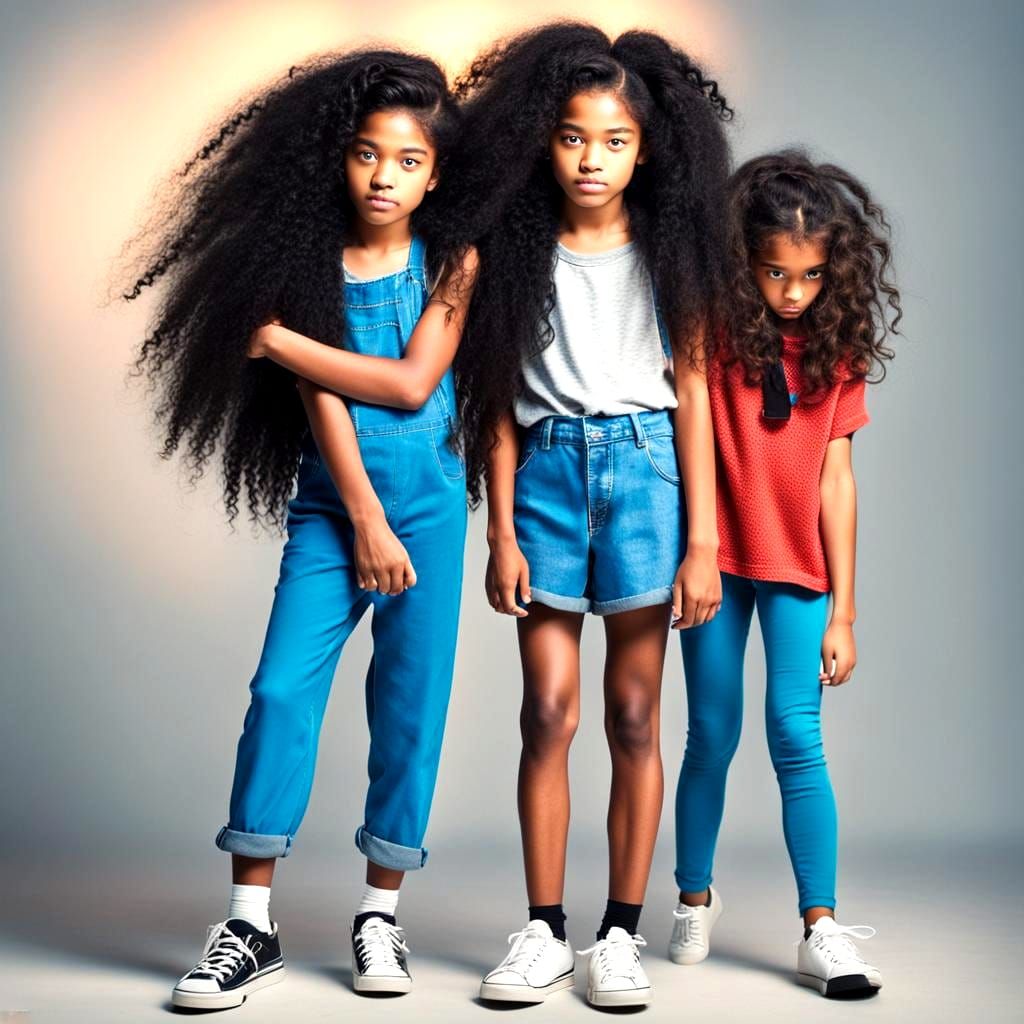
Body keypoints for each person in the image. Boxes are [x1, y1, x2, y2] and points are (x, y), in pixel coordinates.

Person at [123, 49, 477, 1009]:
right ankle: (248, 926)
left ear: (435, 173)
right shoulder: (302, 264)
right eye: (367, 155)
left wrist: (275, 340)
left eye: (407, 161)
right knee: (282, 693)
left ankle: (379, 920)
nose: (384, 177)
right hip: (334, 508)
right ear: (339, 159)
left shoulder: (456, 259)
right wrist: (362, 516)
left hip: (434, 511)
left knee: (410, 713)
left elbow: (410, 385)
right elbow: (327, 405)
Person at [451, 21, 732, 1009]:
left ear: (646, 147)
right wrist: (501, 531)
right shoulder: (508, 251)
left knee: (634, 713)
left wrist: (702, 538)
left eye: (613, 140)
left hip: (649, 471)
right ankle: (541, 930)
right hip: (545, 474)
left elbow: (692, 389)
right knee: (547, 712)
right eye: (572, 136)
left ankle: (618, 934)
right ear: (542, 138)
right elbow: (487, 397)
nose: (591, 158)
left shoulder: (673, 252)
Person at [667, 150, 900, 998]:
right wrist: (697, 548)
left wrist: (845, 610)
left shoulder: (838, 345)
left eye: (808, 275)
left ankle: (822, 927)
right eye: (774, 272)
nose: (792, 292)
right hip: (718, 562)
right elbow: (693, 428)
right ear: (744, 261)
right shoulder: (711, 324)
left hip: (800, 563)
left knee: (797, 737)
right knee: (713, 735)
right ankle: (694, 898)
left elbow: (838, 478)